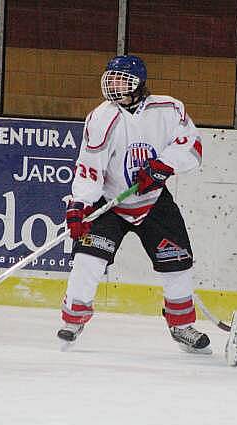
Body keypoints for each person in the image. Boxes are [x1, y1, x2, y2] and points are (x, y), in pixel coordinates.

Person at [57, 55, 211, 354]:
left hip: (153, 201)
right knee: (88, 258)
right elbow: (89, 166)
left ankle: (181, 326)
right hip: (110, 201)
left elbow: (191, 144)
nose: (114, 84)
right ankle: (74, 318)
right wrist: (79, 205)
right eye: (110, 78)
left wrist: (163, 167)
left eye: (121, 79)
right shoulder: (101, 118)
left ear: (139, 82)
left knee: (177, 262)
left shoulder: (168, 109)